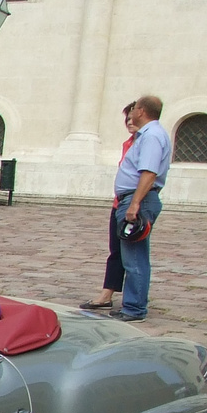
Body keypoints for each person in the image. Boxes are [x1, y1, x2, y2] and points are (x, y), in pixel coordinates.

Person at [109, 95, 171, 323]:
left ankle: (134, 308)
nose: (131, 112)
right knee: (131, 257)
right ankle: (131, 304)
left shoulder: (152, 136)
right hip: (133, 198)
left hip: (138, 200)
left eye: (134, 108)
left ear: (142, 111)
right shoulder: (145, 136)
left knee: (135, 258)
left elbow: (149, 172)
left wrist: (135, 203)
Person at [82, 103, 137, 311]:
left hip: (133, 203)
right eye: (127, 120)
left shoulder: (145, 142)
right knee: (116, 249)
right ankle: (108, 292)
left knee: (132, 253)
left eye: (133, 118)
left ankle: (134, 300)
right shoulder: (128, 144)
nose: (130, 123)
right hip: (119, 202)